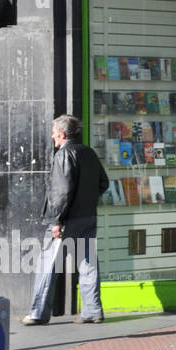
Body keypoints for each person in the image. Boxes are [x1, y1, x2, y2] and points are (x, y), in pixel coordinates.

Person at [21, 115, 109, 325]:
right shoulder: (88, 152)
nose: (52, 136)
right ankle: (92, 310)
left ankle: (38, 313)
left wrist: (56, 221)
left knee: (48, 264)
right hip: (88, 217)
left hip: (67, 219)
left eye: (54, 132)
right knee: (88, 264)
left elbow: (61, 192)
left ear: (62, 134)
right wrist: (86, 200)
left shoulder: (63, 154)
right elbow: (103, 183)